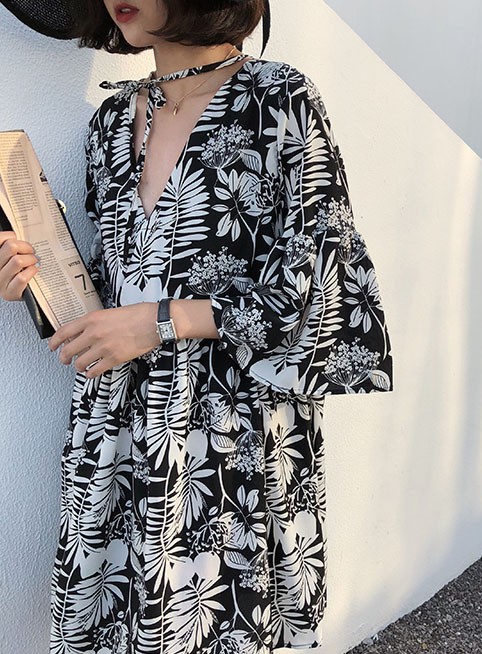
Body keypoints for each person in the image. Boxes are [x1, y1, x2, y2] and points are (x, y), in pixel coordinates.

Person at [0, 0, 393, 652]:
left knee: (217, 621)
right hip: (119, 430)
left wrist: (163, 322)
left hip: (230, 431)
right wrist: (33, 279)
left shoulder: (279, 99)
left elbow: (324, 288)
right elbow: (114, 287)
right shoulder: (109, 123)